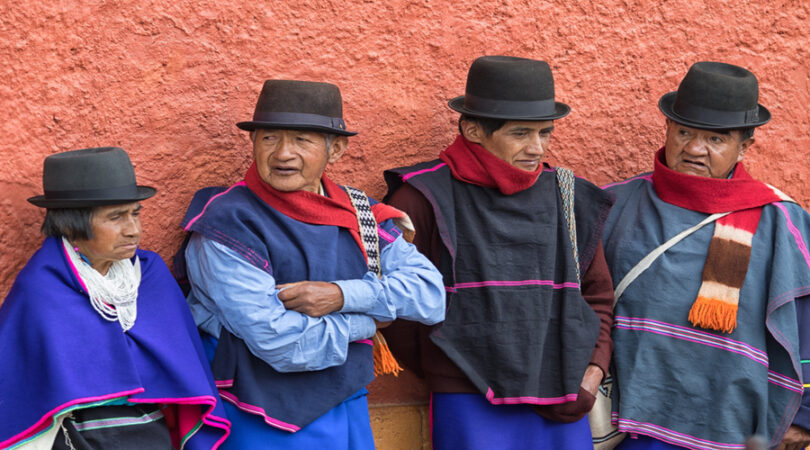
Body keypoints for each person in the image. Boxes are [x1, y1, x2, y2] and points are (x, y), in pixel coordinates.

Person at [176, 79, 445, 449]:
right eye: (269, 138)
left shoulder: (359, 213)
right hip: (257, 411)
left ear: (336, 150)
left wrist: (340, 295)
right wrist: (369, 320)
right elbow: (282, 343)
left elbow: (430, 296)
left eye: (302, 140)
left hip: (345, 399)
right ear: (253, 143)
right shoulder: (226, 223)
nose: (283, 154)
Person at [383, 55, 615, 449]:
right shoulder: (424, 198)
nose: (536, 148)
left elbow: (597, 295)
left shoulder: (566, 196)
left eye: (545, 133)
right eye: (521, 133)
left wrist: (592, 371)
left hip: (563, 393)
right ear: (473, 130)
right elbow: (400, 309)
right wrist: (448, 370)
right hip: (467, 396)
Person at [601, 61, 810, 450]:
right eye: (684, 132)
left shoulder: (782, 221)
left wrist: (804, 415)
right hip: (629, 422)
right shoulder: (615, 204)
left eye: (716, 139)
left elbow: (808, 322)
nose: (695, 149)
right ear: (667, 129)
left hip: (732, 426)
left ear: (744, 146)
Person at [0, 147, 231, 450]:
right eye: (116, 217)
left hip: (152, 435)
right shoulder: (42, 289)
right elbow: (21, 389)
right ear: (70, 224)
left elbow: (185, 369)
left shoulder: (150, 275)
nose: (133, 230)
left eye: (135, 214)